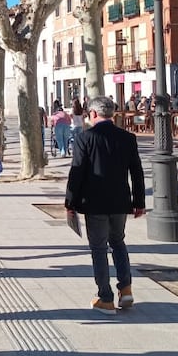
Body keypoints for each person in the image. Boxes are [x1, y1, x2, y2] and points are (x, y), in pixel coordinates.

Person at [65, 95, 146, 314]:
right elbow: (137, 173)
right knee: (118, 243)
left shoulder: (85, 138)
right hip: (120, 201)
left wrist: (70, 202)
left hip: (94, 202)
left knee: (99, 249)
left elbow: (77, 172)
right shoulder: (127, 138)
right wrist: (139, 202)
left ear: (92, 114)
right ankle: (126, 289)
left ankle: (106, 297)